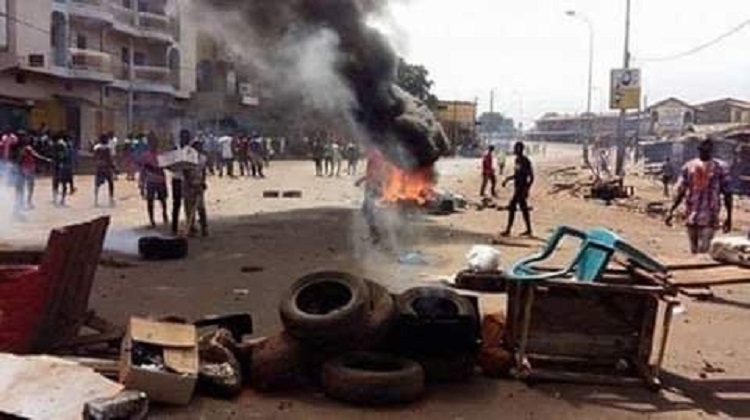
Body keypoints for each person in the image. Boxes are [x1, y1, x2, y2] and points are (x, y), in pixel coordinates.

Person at [666, 139, 732, 254]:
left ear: (712, 151)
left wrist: (729, 217)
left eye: (708, 150)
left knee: (704, 249)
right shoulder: (689, 166)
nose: (705, 152)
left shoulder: (721, 168)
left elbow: (727, 193)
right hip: (692, 214)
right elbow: (681, 191)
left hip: (710, 216)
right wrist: (671, 210)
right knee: (694, 250)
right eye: (703, 150)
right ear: (699, 150)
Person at [501, 142, 534, 237]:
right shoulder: (517, 160)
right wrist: (507, 179)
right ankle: (528, 229)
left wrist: (527, 189)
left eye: (516, 148)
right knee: (523, 209)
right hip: (517, 187)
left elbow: (531, 176)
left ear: (520, 149)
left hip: (521, 188)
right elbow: (517, 174)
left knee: (512, 207)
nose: (514, 150)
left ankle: (508, 230)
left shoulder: (525, 161)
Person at [14, 133, 52, 211]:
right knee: (28, 186)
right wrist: (45, 159)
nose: (27, 138)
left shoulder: (23, 147)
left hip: (26, 169)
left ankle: (24, 202)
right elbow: (35, 155)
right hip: (27, 169)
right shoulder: (26, 148)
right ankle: (25, 202)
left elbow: (19, 160)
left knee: (24, 187)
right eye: (25, 137)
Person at [355, 148, 385, 243]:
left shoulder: (375, 155)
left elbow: (374, 173)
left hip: (373, 185)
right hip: (372, 185)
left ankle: (376, 234)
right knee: (366, 209)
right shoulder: (376, 155)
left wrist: (361, 180)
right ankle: (373, 233)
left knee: (368, 209)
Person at [142, 134, 169, 228]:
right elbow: (143, 170)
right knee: (150, 201)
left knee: (163, 200)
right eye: (151, 143)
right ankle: (152, 219)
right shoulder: (145, 155)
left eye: (154, 143)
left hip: (160, 180)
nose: (153, 145)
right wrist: (141, 183)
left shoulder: (161, 154)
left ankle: (164, 214)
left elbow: (164, 166)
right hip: (150, 181)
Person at [184, 140, 209, 237]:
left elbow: (203, 171)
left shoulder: (203, 158)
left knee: (201, 208)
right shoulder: (188, 159)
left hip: (198, 184)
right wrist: (190, 183)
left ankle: (204, 228)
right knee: (190, 208)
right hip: (189, 186)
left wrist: (203, 182)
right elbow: (186, 173)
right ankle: (191, 228)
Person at [170, 130, 192, 235]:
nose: (186, 139)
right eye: (184, 137)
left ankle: (190, 225)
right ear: (180, 138)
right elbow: (170, 164)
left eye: (187, 137)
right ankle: (174, 227)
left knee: (189, 204)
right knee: (177, 204)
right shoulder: (175, 149)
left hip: (188, 179)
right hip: (177, 179)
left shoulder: (190, 150)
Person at [93, 135, 116, 207]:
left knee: (97, 185)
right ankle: (111, 199)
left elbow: (94, 158)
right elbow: (109, 159)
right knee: (110, 183)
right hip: (106, 168)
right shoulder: (108, 148)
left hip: (99, 167)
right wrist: (114, 167)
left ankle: (96, 200)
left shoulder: (96, 147)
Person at [52, 136, 74, 206]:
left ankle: (58, 198)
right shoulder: (64, 151)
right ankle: (61, 199)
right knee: (63, 184)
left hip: (59, 168)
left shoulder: (58, 151)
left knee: (57, 183)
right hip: (62, 168)